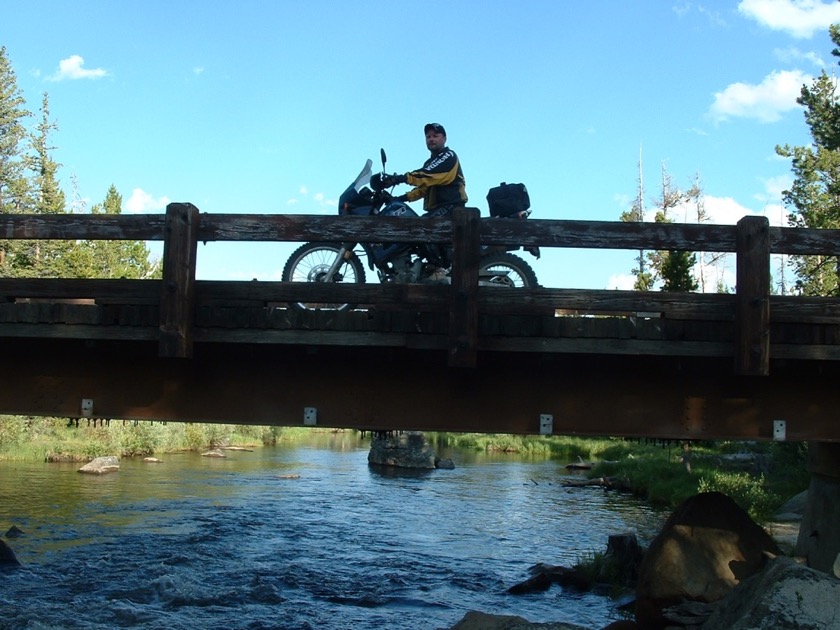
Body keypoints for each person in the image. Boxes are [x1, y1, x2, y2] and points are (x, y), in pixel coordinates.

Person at [381, 123, 468, 274]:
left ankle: (441, 268)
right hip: (439, 208)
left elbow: (426, 175)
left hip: (451, 206)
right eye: (428, 137)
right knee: (418, 226)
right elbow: (423, 188)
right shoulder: (430, 163)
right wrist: (400, 198)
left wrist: (399, 178)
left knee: (420, 226)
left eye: (435, 136)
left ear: (444, 138)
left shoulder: (448, 156)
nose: (431, 139)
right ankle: (432, 267)